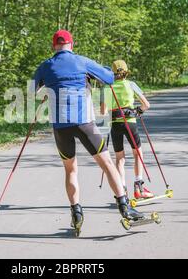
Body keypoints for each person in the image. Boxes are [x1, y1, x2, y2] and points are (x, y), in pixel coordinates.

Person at [32, 30, 143, 234]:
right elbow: (110, 78)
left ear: (53, 47)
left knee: (71, 169)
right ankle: (125, 207)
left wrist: (49, 89)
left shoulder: (45, 66)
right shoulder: (82, 62)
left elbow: (32, 91)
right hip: (84, 122)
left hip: (60, 126)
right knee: (107, 163)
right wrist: (91, 76)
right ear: (71, 45)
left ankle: (76, 212)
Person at [100, 60, 154, 200]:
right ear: (126, 71)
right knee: (137, 154)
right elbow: (146, 105)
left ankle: (122, 190)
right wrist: (137, 111)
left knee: (119, 158)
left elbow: (103, 111)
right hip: (129, 123)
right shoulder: (131, 84)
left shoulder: (108, 87)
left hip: (115, 124)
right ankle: (139, 188)